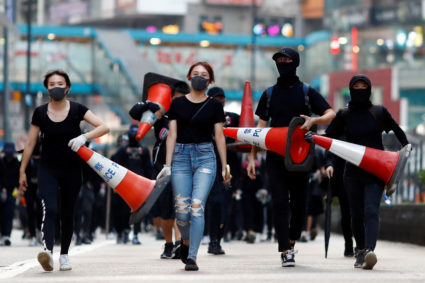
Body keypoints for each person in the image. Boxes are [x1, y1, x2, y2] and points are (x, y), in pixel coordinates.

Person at [247, 47, 336, 267]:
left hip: (302, 156)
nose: (283, 62)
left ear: (295, 63)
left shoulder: (307, 92)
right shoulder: (268, 94)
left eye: (287, 59)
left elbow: (331, 113)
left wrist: (313, 122)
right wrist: (251, 157)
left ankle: (292, 240)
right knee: (279, 203)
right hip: (275, 157)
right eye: (279, 60)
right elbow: (260, 128)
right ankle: (285, 249)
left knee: (299, 205)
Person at [19, 69, 109, 272]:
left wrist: (84, 137)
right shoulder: (40, 113)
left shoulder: (78, 109)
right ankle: (48, 253)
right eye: (51, 84)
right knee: (50, 208)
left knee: (68, 212)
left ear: (67, 87)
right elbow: (31, 142)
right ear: (47, 88)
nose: (56, 87)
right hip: (47, 169)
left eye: (60, 84)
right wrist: (22, 170)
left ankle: (65, 255)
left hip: (72, 169)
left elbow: (104, 127)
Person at [322, 74, 408, 270]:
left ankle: (369, 251)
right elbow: (329, 139)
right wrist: (326, 159)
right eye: (356, 87)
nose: (360, 90)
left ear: (369, 90)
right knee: (356, 214)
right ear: (350, 90)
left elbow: (398, 131)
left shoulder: (379, 112)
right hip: (351, 173)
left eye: (363, 87)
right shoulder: (343, 115)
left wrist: (406, 152)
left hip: (376, 171)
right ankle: (360, 251)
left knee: (371, 210)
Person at [157, 61, 231, 271]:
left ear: (210, 80)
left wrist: (225, 166)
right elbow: (172, 135)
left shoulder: (215, 105)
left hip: (206, 157)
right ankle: (186, 241)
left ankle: (192, 257)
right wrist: (167, 165)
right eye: (196, 73)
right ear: (189, 77)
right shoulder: (177, 104)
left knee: (197, 207)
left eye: (204, 74)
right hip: (180, 157)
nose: (199, 76)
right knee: (182, 211)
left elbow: (219, 136)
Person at [129, 74, 190, 259]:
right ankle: (168, 244)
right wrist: (148, 104)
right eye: (176, 97)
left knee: (180, 206)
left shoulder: (190, 114)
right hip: (161, 166)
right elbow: (134, 113)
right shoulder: (161, 113)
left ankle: (180, 244)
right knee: (165, 209)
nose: (179, 101)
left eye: (182, 97)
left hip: (183, 164)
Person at [206, 86, 241, 254]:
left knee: (225, 205)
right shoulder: (203, 118)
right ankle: (212, 239)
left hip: (228, 168)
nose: (220, 101)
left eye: (222, 98)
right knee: (214, 203)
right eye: (216, 98)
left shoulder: (233, 118)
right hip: (208, 166)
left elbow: (247, 137)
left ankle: (218, 240)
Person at [111, 125, 154, 245]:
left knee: (138, 210)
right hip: (126, 184)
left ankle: (135, 233)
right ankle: (125, 231)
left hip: (140, 185)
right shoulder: (123, 150)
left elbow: (148, 168)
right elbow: (116, 164)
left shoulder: (144, 150)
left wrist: (149, 183)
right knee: (124, 210)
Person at [0, 142, 20, 246]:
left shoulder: (17, 164)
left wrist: (16, 191)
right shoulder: (1, 162)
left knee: (9, 213)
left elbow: (18, 179)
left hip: (12, 192)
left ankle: (7, 235)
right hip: (1, 191)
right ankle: (1, 235)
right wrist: (2, 187)